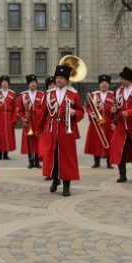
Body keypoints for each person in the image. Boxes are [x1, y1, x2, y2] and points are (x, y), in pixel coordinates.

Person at [36, 64, 81, 196]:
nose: (59, 80)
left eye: (62, 78)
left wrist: (74, 113)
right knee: (53, 156)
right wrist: (39, 129)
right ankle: (55, 180)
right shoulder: (49, 94)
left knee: (67, 158)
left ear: (66, 80)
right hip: (50, 129)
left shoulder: (73, 94)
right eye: (57, 78)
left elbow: (80, 111)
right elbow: (43, 112)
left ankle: (66, 185)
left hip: (66, 130)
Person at [109, 67, 132, 183]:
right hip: (121, 126)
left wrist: (130, 112)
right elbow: (118, 108)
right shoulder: (119, 91)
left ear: (129, 79)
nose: (120, 81)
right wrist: (114, 110)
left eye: (122, 79)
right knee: (120, 150)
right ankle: (122, 174)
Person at [84, 74, 115, 169]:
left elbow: (117, 108)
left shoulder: (113, 95)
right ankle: (96, 161)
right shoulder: (94, 95)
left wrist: (114, 113)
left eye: (106, 83)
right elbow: (89, 107)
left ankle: (109, 162)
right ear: (99, 84)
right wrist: (91, 114)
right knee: (95, 141)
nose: (104, 85)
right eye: (102, 83)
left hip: (108, 120)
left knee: (110, 141)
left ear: (109, 84)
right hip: (96, 122)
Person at [18, 74, 44, 169]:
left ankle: (37, 161)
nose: (34, 84)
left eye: (35, 83)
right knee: (28, 142)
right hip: (27, 122)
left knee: (38, 141)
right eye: (32, 83)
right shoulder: (23, 96)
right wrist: (23, 118)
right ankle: (30, 160)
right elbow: (19, 110)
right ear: (28, 84)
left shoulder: (41, 95)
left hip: (38, 121)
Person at [0, 75, 17, 159]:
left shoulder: (12, 94)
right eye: (3, 82)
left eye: (6, 82)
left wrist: (14, 119)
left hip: (8, 116)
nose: (4, 84)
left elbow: (14, 108)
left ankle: (6, 154)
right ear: (0, 84)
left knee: (8, 136)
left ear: (8, 84)